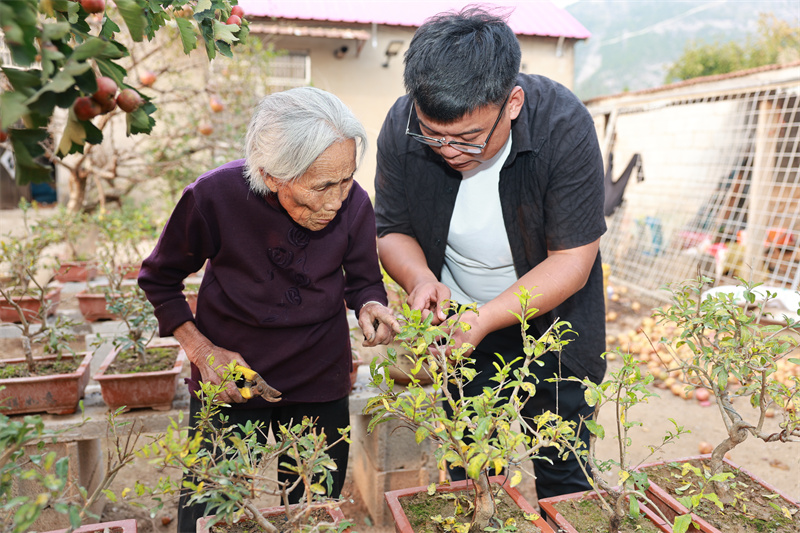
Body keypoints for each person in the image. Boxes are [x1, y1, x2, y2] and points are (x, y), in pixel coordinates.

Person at [138, 86, 400, 532]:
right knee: (210, 508)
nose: (337, 201)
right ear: (271, 175)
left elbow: (362, 279)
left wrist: (370, 304)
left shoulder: (352, 201)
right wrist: (202, 352)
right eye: (320, 187)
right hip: (231, 378)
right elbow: (159, 279)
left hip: (321, 376)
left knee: (312, 511)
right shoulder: (213, 198)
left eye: (346, 179)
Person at [374, 6, 607, 499]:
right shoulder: (401, 125)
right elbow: (391, 229)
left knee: (565, 473)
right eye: (432, 135)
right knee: (475, 474)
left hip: (553, 328)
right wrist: (418, 280)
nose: (449, 150)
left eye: (469, 139)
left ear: (513, 103)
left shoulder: (563, 125)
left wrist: (486, 316)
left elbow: (572, 260)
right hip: (459, 329)